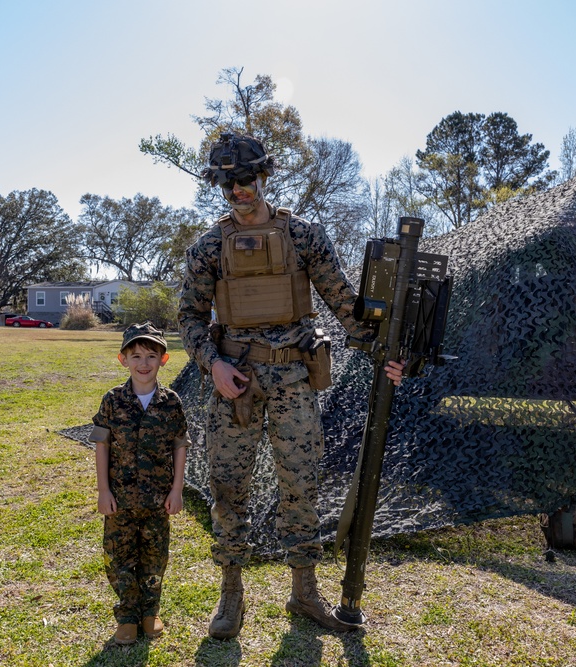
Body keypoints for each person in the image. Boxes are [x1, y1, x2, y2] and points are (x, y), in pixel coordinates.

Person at [179, 133, 404, 638]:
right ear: (220, 186)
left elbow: (344, 305)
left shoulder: (304, 236)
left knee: (301, 485)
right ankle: (231, 595)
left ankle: (304, 593)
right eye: (229, 183)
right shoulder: (209, 247)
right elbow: (190, 318)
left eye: (247, 180)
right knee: (227, 486)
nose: (240, 190)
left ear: (265, 176)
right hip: (234, 385)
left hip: (294, 383)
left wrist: (383, 352)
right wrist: (211, 363)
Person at [90, 322, 189, 645]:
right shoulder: (113, 400)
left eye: (150, 356)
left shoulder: (171, 402)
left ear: (164, 360)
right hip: (120, 498)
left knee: (154, 556)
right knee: (120, 556)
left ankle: (150, 612)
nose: (143, 363)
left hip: (159, 499)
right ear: (123, 360)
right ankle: (128, 615)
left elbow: (179, 445)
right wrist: (103, 490)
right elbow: (101, 444)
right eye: (135, 356)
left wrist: (176, 490)